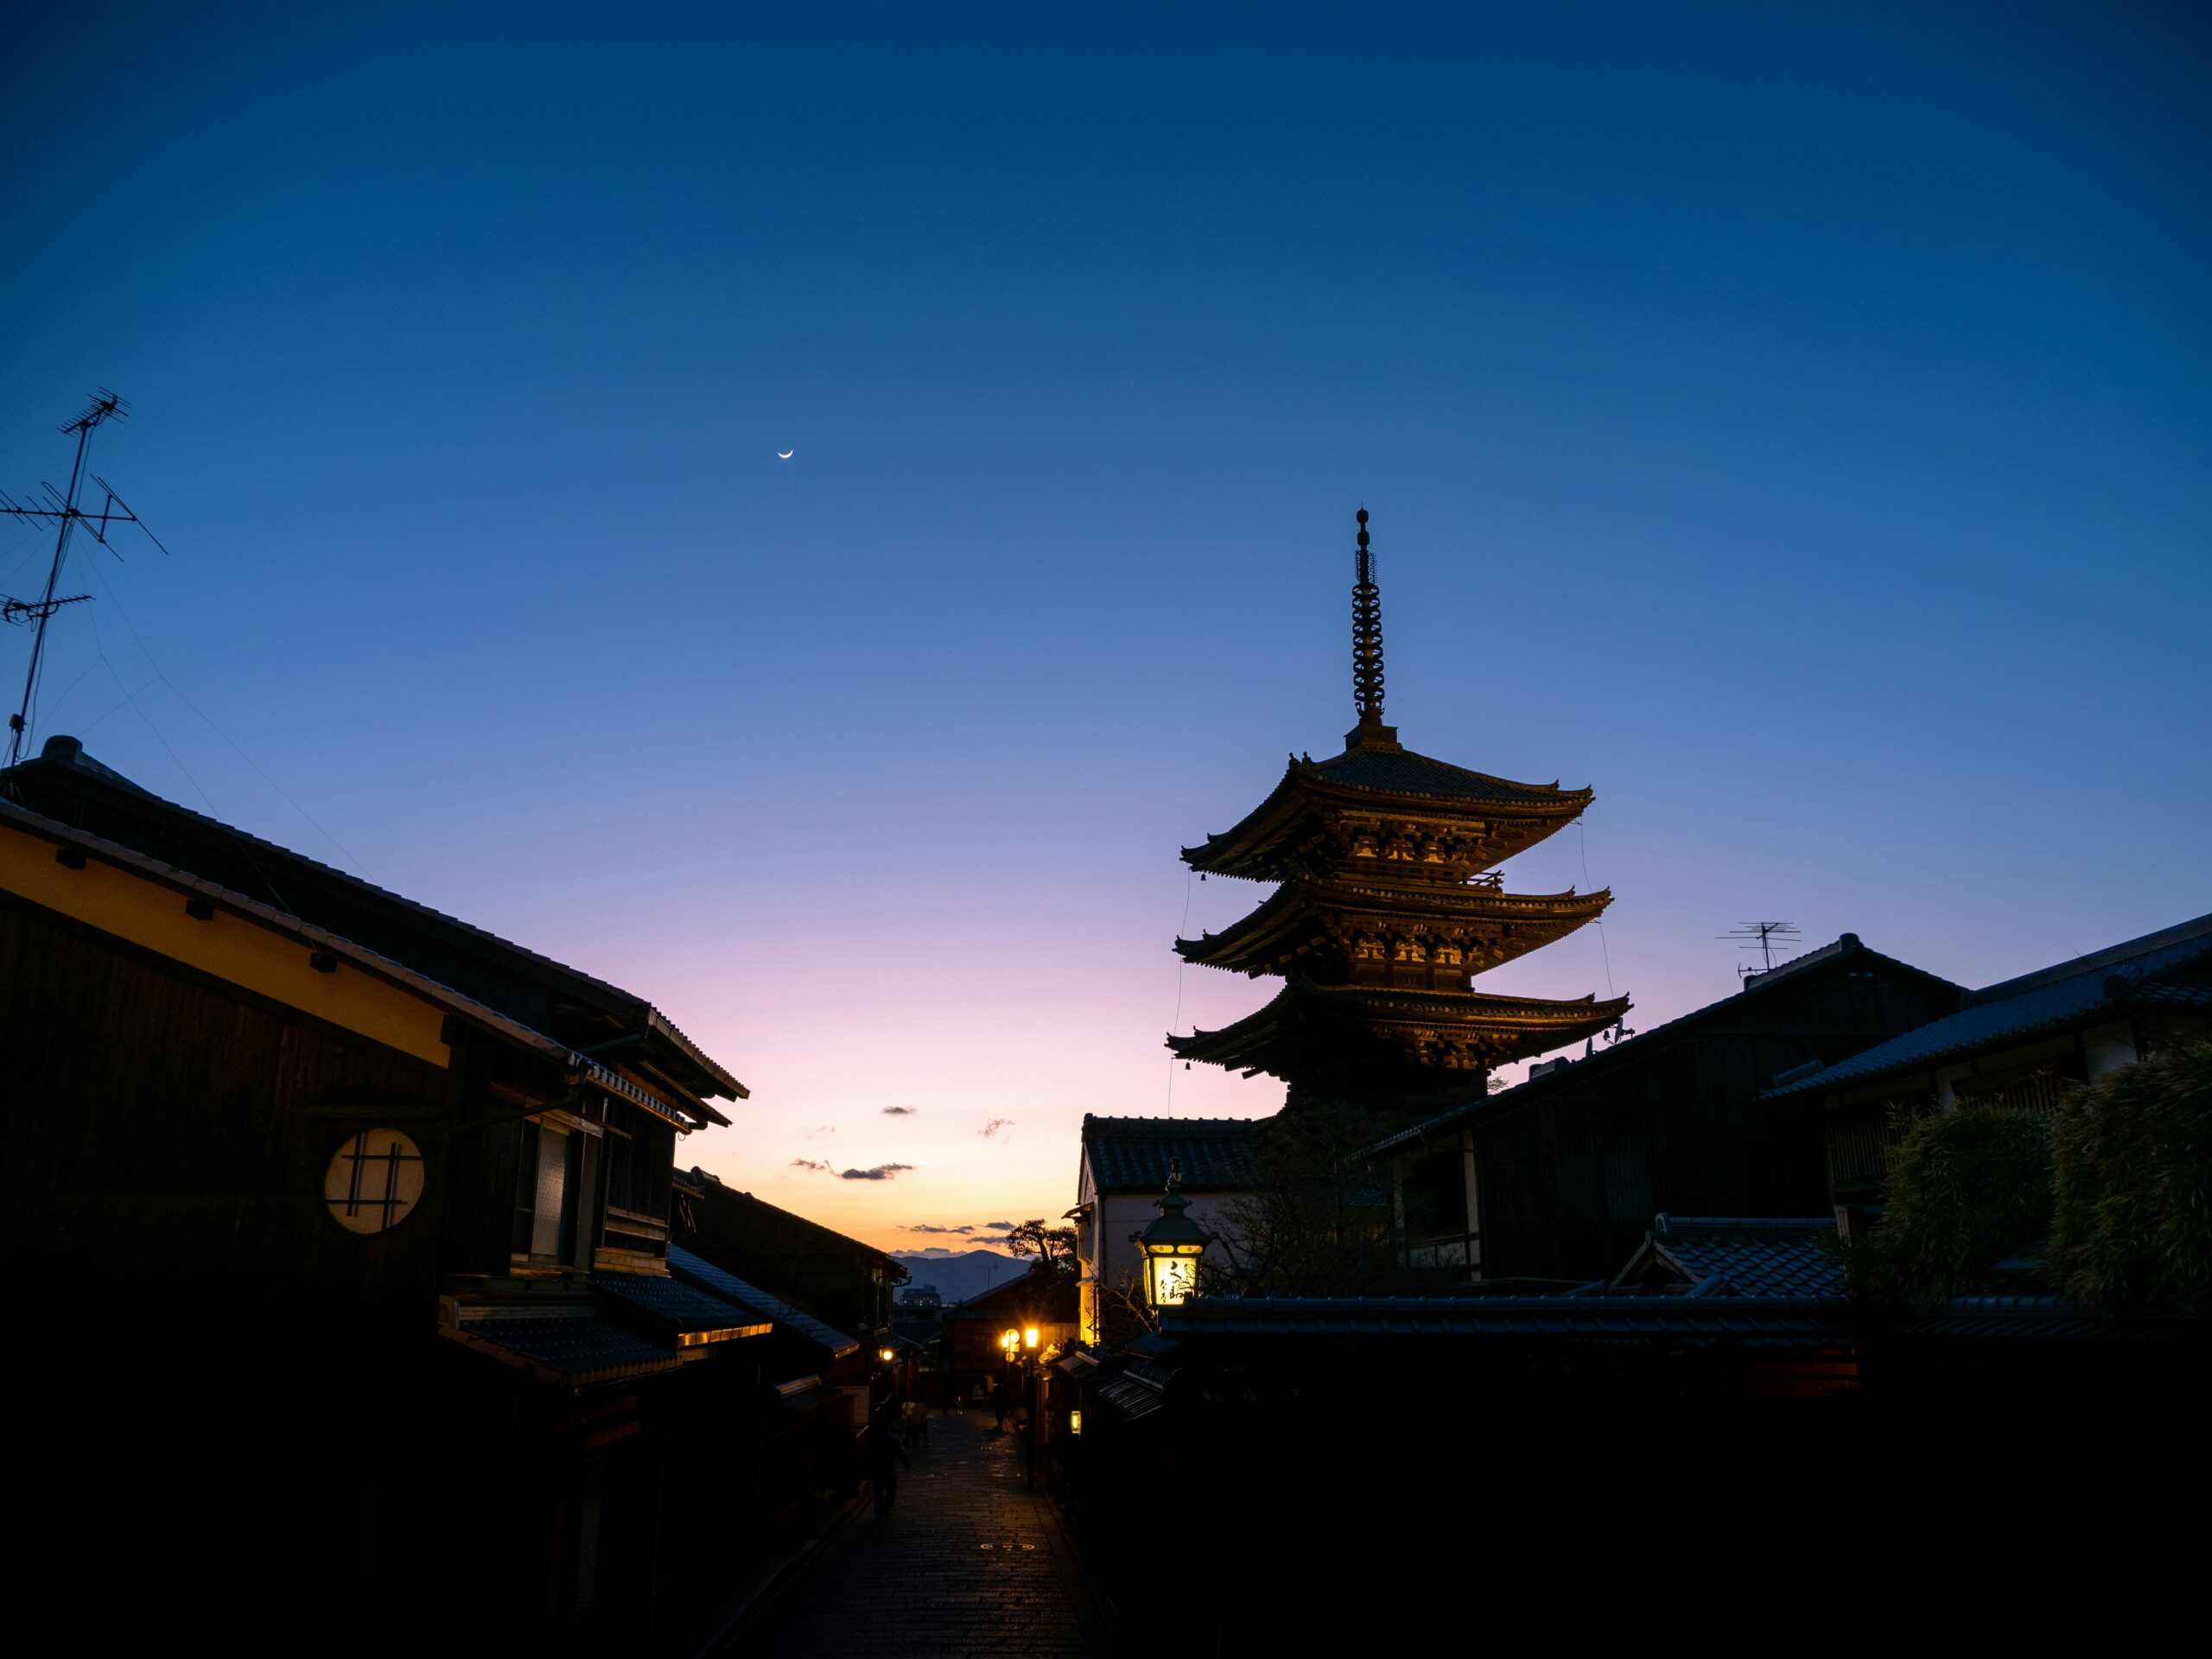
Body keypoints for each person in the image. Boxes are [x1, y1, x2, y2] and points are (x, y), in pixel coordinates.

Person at [865, 1412, 912, 1523]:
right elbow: (900, 1452)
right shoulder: (892, 1438)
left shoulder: (874, 1439)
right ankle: (887, 1507)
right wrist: (907, 1463)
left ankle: (878, 1513)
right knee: (891, 1489)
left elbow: (868, 1453)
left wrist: (867, 1468)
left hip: (876, 1468)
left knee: (878, 1491)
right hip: (888, 1467)